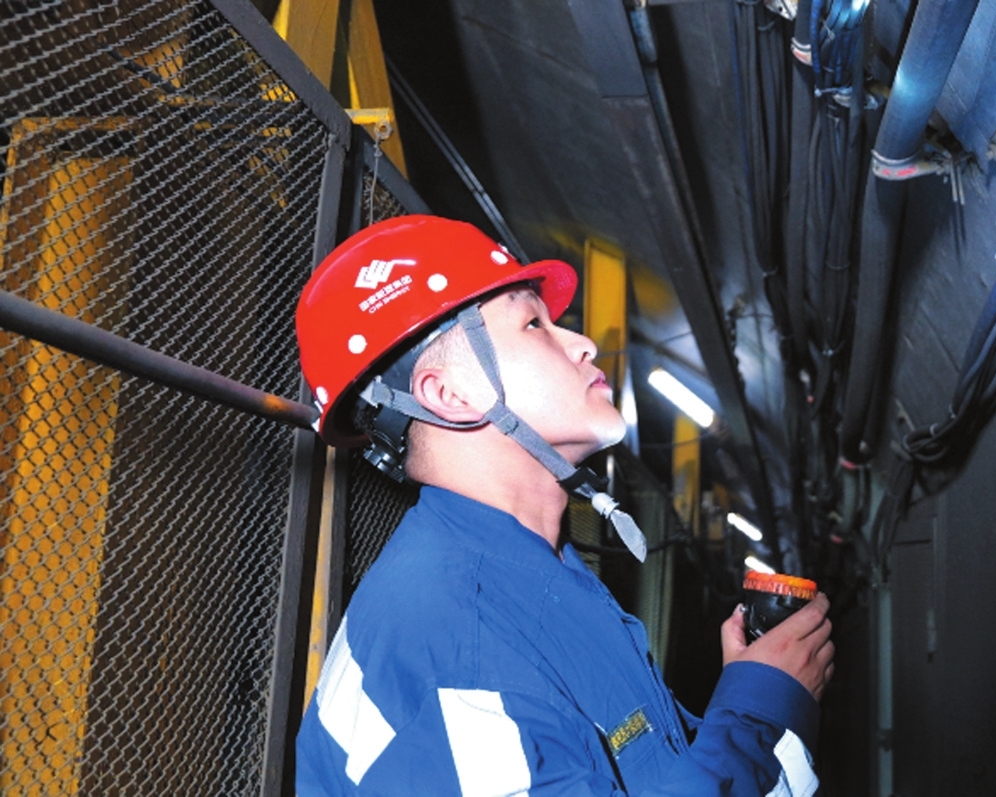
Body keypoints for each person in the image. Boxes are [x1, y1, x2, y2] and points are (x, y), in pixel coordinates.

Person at [293, 215, 834, 795]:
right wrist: (758, 711)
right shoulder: (453, 644)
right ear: (450, 395)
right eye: (533, 324)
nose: (584, 343)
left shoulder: (530, 569)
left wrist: (752, 686)